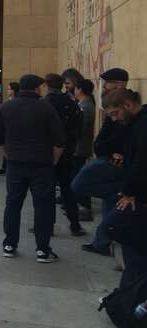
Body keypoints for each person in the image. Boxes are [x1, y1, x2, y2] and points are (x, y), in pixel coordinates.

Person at [0, 74, 66, 262]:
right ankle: (42, 249)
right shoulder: (46, 107)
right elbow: (59, 139)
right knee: (43, 206)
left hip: (16, 163)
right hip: (42, 164)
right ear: (36, 88)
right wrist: (54, 160)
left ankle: (9, 244)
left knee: (13, 203)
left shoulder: (7, 107)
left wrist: (8, 155)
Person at [72, 67, 131, 256]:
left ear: (119, 85)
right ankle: (102, 243)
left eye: (108, 84)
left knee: (78, 184)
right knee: (110, 202)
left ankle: (104, 240)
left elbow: (121, 137)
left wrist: (109, 148)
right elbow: (105, 137)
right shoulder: (112, 103)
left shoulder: (124, 107)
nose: (104, 87)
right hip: (108, 156)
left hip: (114, 161)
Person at [98, 89, 147, 286]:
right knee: (130, 246)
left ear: (127, 105)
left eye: (115, 113)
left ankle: (130, 292)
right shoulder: (135, 123)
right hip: (136, 191)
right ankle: (128, 291)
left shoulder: (142, 124)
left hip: (139, 194)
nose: (114, 118)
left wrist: (130, 192)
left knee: (119, 230)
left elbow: (142, 161)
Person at [43, 73, 85, 236]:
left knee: (47, 191)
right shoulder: (71, 102)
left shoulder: (45, 103)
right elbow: (79, 126)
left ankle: (48, 226)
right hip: (67, 151)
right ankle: (75, 225)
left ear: (47, 85)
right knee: (67, 189)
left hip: (48, 151)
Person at [73, 78, 96, 221]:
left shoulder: (85, 106)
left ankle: (84, 206)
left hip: (80, 146)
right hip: (79, 145)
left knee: (80, 177)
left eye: (75, 88)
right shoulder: (83, 104)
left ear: (80, 90)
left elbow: (81, 128)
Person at [0, 81, 20, 175]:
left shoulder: (17, 101)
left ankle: (8, 165)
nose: (7, 90)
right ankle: (5, 166)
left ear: (14, 90)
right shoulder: (8, 101)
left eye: (9, 89)